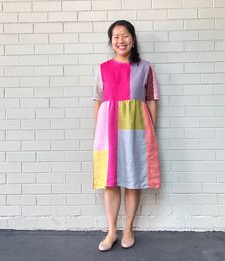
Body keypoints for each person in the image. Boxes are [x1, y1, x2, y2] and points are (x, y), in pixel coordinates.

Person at [92, 20, 161, 252]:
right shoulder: (103, 68)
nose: (121, 40)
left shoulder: (145, 67)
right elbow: (98, 100)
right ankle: (112, 230)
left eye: (125, 35)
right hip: (109, 131)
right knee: (110, 181)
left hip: (136, 130)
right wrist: (97, 131)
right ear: (111, 42)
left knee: (133, 181)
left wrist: (151, 127)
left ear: (133, 39)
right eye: (116, 37)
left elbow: (151, 98)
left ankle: (128, 228)